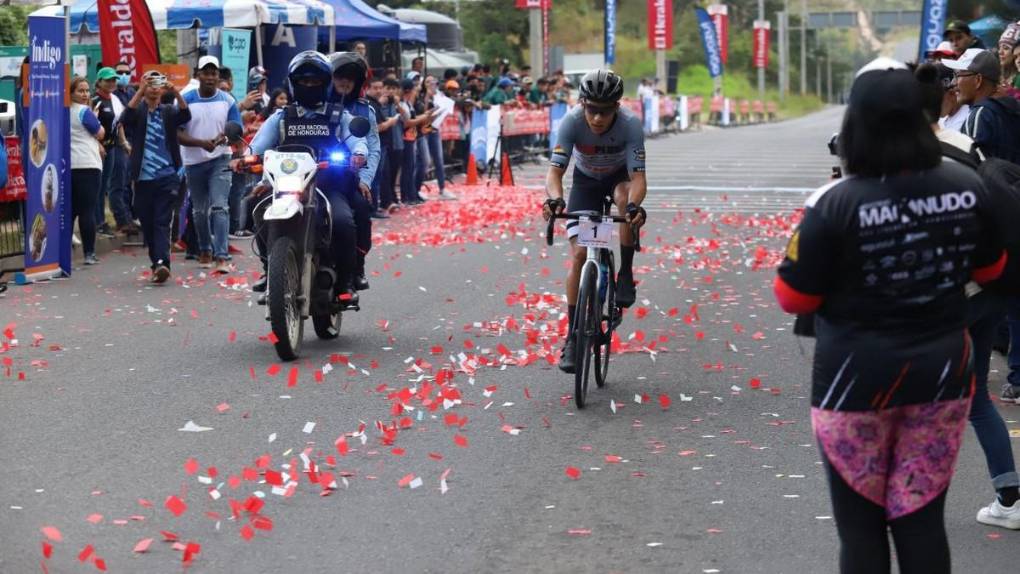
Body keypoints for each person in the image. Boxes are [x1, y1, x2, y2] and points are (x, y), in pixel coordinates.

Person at [774, 58, 1005, 573]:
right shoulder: (966, 188)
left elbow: (794, 298)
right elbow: (992, 268)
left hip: (852, 382)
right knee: (922, 522)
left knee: (860, 532)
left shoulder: (833, 203)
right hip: (941, 375)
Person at [916, 61, 1020, 531]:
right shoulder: (965, 145)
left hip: (946, 298)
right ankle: (1010, 497)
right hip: (989, 287)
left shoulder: (907, 158)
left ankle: (913, 502)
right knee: (974, 396)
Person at [242, 50, 368, 306]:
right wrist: (243, 159)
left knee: (343, 222)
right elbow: (256, 148)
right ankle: (270, 269)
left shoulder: (339, 115)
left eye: (316, 82)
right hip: (286, 185)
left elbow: (358, 142)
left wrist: (358, 154)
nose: (309, 86)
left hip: (328, 185)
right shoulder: (280, 117)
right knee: (255, 209)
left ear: (325, 84)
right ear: (293, 84)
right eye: (304, 82)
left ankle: (345, 282)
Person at [541, 70, 647, 373]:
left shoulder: (630, 125)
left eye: (605, 111)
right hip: (586, 183)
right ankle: (573, 336)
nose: (598, 118)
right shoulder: (572, 121)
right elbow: (554, 173)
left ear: (617, 107)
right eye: (592, 110)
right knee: (577, 255)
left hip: (618, 180)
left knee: (626, 202)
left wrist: (634, 206)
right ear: (582, 104)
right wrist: (554, 198)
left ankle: (625, 272)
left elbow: (639, 178)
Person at [120, 71, 191, 284]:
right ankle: (157, 263)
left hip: (167, 175)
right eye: (149, 83)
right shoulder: (139, 111)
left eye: (157, 83)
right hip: (142, 178)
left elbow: (186, 116)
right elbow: (125, 118)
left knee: (161, 220)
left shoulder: (168, 111)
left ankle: (162, 263)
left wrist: (176, 93)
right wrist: (140, 91)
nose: (153, 87)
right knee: (148, 222)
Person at [178, 55, 242, 274]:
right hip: (193, 162)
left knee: (219, 206)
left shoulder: (228, 100)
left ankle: (221, 255)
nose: (210, 77)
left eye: (214, 73)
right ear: (198, 75)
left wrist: (226, 139)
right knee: (199, 211)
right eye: (206, 73)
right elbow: (177, 133)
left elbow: (236, 129)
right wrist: (200, 143)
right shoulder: (186, 99)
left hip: (220, 159)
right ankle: (205, 249)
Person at [330, 52, 379, 290]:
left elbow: (373, 149)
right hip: (311, 175)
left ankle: (357, 266)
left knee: (360, 208)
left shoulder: (364, 110)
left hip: (350, 177)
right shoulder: (315, 105)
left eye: (350, 77)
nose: (345, 82)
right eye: (339, 76)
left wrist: (365, 180)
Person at [946, 48, 1020, 163]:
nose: (953, 83)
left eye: (958, 75)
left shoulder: (980, 114)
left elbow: (973, 168)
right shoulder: (1009, 107)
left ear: (978, 80)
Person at [92, 67, 135, 235]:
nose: (111, 83)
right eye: (107, 80)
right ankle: (99, 222)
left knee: (107, 186)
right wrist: (98, 145)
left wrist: (124, 142)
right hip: (99, 149)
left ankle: (105, 221)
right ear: (99, 81)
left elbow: (119, 123)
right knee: (99, 186)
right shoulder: (95, 101)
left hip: (113, 147)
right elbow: (90, 125)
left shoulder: (115, 99)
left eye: (113, 80)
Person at [69, 76, 106, 266]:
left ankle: (63, 251)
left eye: (86, 91)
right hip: (88, 165)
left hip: (69, 165)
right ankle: (89, 253)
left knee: (71, 210)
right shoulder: (84, 111)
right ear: (71, 93)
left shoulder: (63, 112)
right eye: (80, 91)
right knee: (87, 210)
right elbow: (100, 133)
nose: (85, 94)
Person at [397, 79, 433, 205]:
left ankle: (411, 194)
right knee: (407, 168)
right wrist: (423, 117)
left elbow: (413, 118)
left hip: (412, 137)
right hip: (406, 139)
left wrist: (425, 116)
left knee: (411, 167)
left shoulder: (407, 103)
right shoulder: (402, 104)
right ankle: (406, 196)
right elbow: (408, 122)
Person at [365, 77, 395, 218]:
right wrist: (391, 122)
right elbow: (376, 127)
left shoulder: (376, 104)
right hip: (375, 147)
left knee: (379, 177)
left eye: (380, 88)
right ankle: (373, 209)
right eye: (375, 88)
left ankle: (375, 207)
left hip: (382, 146)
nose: (378, 91)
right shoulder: (369, 104)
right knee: (374, 178)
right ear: (367, 88)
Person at [424, 75, 456, 200]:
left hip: (434, 129)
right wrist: (427, 97)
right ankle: (416, 189)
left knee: (439, 159)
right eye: (428, 82)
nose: (431, 85)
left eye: (434, 82)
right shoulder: (421, 96)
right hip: (423, 130)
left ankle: (442, 188)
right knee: (423, 160)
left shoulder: (440, 96)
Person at [382, 78, 404, 211]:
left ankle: (393, 197)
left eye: (393, 89)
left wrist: (398, 105)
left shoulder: (397, 104)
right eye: (388, 88)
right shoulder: (380, 104)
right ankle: (388, 199)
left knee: (395, 171)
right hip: (385, 143)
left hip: (398, 142)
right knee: (387, 172)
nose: (390, 91)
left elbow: (406, 118)